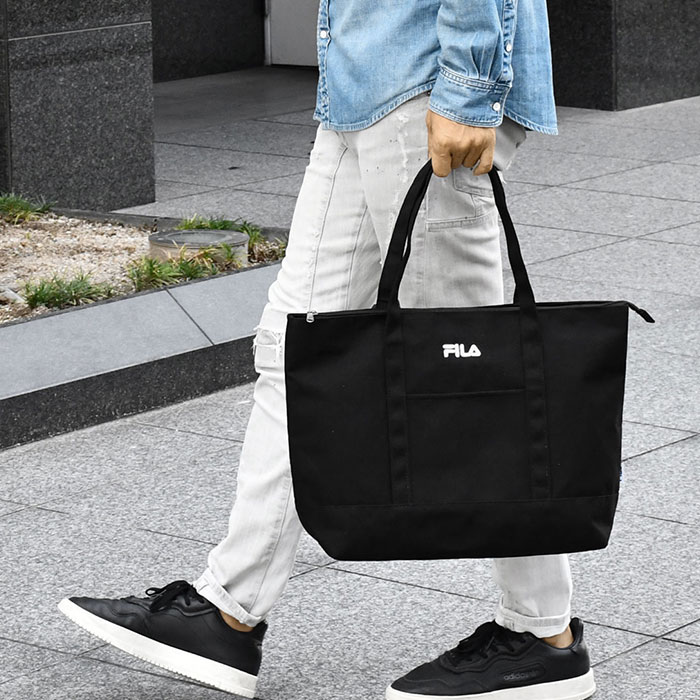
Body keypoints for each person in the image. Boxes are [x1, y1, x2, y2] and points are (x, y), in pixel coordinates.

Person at [58, 2, 597, 699]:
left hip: (423, 86)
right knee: (296, 351)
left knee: (471, 370)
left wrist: (467, 87)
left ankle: (543, 634)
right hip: (362, 86)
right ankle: (227, 611)